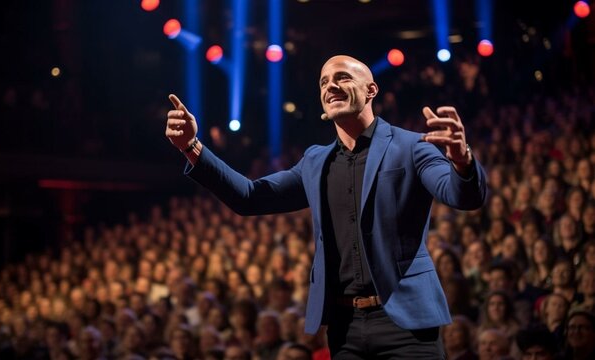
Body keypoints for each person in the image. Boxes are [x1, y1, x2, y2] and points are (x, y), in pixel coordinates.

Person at [165, 55, 487, 358]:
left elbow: (462, 196)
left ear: (370, 90)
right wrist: (193, 148)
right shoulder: (315, 161)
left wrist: (462, 160)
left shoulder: (412, 146)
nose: (330, 86)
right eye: (323, 82)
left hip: (407, 323)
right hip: (345, 328)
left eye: (342, 77)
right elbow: (250, 197)